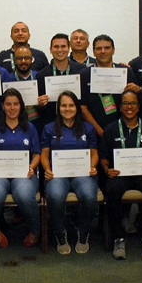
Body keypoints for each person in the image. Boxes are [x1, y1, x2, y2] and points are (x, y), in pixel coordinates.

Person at [100, 90, 142, 260]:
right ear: (120, 107)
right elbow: (104, 157)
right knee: (112, 190)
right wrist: (107, 170)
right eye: (125, 103)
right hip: (120, 174)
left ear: (138, 106)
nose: (129, 107)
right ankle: (118, 238)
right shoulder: (111, 128)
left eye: (133, 103)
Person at [41, 91, 99, 255]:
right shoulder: (49, 128)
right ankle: (60, 233)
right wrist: (47, 170)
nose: (67, 109)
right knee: (55, 195)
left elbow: (94, 153)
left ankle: (83, 232)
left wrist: (93, 167)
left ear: (77, 107)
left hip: (82, 173)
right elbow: (44, 155)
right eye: (64, 105)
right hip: (57, 175)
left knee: (88, 195)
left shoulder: (88, 127)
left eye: (71, 105)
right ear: (58, 108)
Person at [0, 89, 41, 248]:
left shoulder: (30, 128)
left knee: (24, 194)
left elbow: (37, 155)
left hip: (24, 174)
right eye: (8, 104)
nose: (12, 108)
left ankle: (36, 231)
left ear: (21, 106)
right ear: (2, 106)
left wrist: (31, 167)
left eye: (16, 104)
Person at [79, 34, 140, 137]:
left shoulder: (126, 72)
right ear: (93, 52)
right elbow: (83, 107)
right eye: (99, 48)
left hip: (123, 131)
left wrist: (138, 90)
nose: (103, 51)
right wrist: (100, 132)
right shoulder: (84, 74)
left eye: (107, 48)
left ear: (113, 50)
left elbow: (136, 102)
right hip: (94, 132)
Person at [36, 33, 85, 129]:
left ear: (69, 48)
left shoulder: (81, 71)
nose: (60, 50)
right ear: (50, 49)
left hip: (78, 124)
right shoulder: (42, 75)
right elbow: (40, 108)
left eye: (63, 46)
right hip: (52, 124)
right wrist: (40, 104)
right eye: (56, 47)